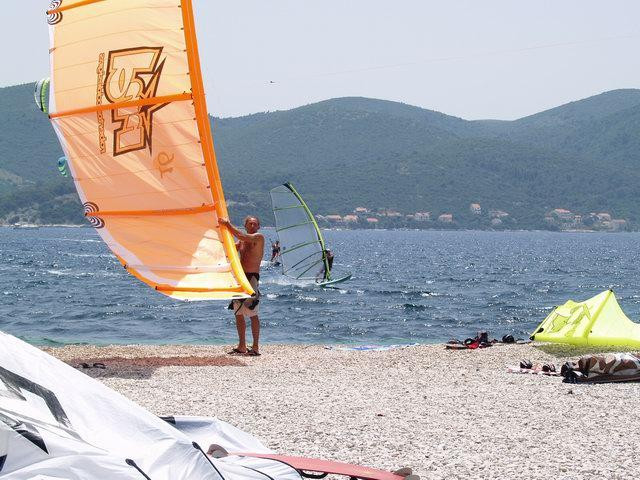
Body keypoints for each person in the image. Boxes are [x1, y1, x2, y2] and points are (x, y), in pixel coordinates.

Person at [219, 216, 265, 356]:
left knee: (252, 313)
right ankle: (242, 346)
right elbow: (229, 250)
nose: (252, 225)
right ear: (245, 225)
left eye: (254, 224)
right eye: (249, 223)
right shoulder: (242, 241)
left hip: (251, 278)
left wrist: (227, 224)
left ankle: (255, 347)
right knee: (238, 312)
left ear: (258, 226)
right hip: (240, 278)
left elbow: (240, 235)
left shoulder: (258, 238)